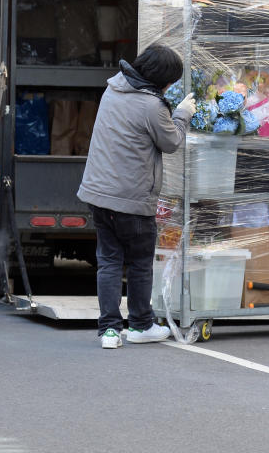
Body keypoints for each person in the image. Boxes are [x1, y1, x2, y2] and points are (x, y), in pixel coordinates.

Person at [77, 45, 196, 349]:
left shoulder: (113, 90)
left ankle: (109, 331)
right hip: (132, 198)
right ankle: (141, 324)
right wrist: (183, 113)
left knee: (109, 261)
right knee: (141, 262)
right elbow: (171, 142)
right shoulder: (151, 106)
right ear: (162, 79)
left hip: (99, 194)